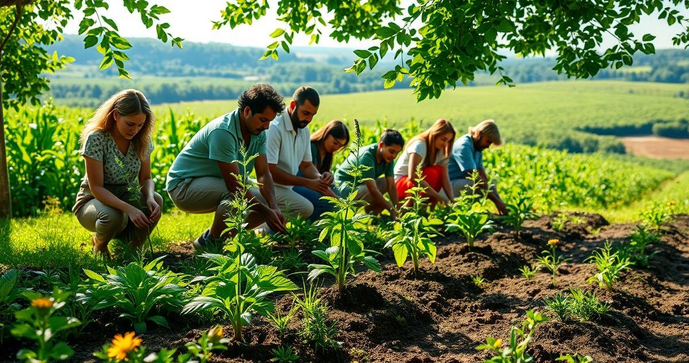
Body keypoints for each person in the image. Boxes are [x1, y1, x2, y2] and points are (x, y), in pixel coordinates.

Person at [166, 84, 287, 249]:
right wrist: (267, 212)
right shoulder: (223, 132)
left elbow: (263, 173)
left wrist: (273, 207)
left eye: (270, 121)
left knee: (261, 201)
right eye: (263, 120)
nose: (266, 126)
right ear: (246, 111)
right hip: (184, 187)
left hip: (214, 183)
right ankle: (211, 244)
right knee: (237, 197)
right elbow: (234, 185)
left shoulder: (258, 133)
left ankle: (214, 238)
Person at [73, 89, 163, 257]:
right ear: (115, 115)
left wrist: (149, 197)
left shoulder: (142, 139)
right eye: (130, 124)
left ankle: (132, 249)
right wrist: (130, 209)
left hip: (126, 195)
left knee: (156, 200)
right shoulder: (97, 138)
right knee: (114, 216)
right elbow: (97, 188)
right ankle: (99, 245)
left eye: (140, 125)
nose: (135, 130)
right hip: (93, 199)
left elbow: (145, 178)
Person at [266, 86, 337, 221]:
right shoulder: (275, 127)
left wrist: (320, 178)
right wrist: (307, 183)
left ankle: (274, 227)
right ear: (293, 105)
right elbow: (270, 171)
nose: (309, 119)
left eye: (312, 115)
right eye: (305, 113)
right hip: (271, 188)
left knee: (326, 201)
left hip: (289, 187)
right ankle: (266, 228)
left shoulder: (304, 129)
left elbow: (306, 166)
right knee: (309, 207)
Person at [333, 129, 404, 218]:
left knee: (386, 183)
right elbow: (373, 190)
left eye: (397, 153)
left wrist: (397, 209)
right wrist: (390, 208)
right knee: (372, 191)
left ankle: (372, 214)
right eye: (392, 151)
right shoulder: (367, 156)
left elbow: (391, 186)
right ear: (382, 145)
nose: (394, 156)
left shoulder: (388, 158)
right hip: (342, 188)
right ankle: (367, 214)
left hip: (360, 186)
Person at [293, 120, 350, 221]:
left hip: (315, 185)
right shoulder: (311, 147)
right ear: (326, 134)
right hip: (298, 184)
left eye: (340, 146)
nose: (336, 148)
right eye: (335, 142)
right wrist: (333, 196)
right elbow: (310, 174)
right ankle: (309, 228)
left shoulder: (327, 154)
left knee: (339, 196)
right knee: (327, 203)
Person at [448, 119, 507, 215]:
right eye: (488, 141)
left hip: (460, 183)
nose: (488, 146)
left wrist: (500, 201)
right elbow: (475, 177)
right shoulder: (464, 146)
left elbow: (483, 175)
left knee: (492, 183)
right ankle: (456, 211)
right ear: (479, 134)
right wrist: (496, 202)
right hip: (447, 186)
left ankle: (467, 210)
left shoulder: (477, 148)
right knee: (476, 186)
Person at [394, 119, 456, 208]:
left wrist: (452, 200)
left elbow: (445, 178)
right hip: (400, 184)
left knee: (439, 170)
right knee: (431, 173)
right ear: (434, 135)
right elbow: (413, 177)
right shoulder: (419, 145)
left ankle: (429, 208)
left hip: (414, 185)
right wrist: (438, 196)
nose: (446, 144)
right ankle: (408, 206)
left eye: (448, 141)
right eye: (443, 139)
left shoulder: (440, 150)